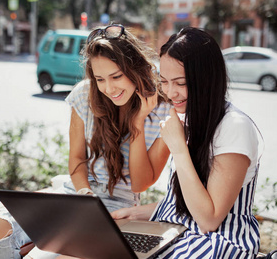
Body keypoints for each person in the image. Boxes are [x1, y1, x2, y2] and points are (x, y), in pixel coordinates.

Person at [0, 24, 172, 259]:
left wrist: (137, 124)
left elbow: (139, 184)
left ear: (135, 69)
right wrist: (84, 194)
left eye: (116, 76)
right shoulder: (85, 95)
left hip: (117, 207)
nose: (109, 88)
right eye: (100, 79)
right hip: (76, 196)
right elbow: (76, 160)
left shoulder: (163, 111)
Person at [111, 26, 262, 258]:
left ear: (207, 80)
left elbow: (209, 219)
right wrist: (133, 214)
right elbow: (182, 203)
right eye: (164, 82)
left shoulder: (235, 127)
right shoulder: (187, 117)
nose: (171, 93)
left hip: (219, 243)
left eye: (181, 83)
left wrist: (180, 148)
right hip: (181, 232)